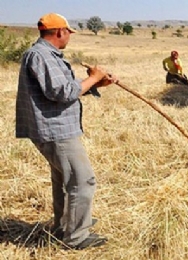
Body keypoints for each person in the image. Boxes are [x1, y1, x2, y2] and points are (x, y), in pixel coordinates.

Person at [15, 13, 117, 250]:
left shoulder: (44, 55)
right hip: (56, 130)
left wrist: (96, 82)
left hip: (54, 129)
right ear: (60, 32)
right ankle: (77, 237)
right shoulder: (41, 56)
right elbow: (62, 93)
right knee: (83, 180)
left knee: (63, 180)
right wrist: (93, 77)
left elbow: (65, 90)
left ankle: (65, 225)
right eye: (68, 32)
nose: (69, 37)